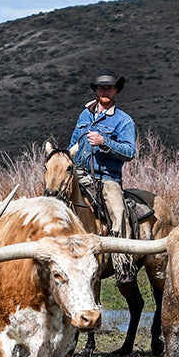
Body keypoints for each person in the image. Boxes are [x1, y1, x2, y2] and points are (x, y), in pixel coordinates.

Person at [69, 72, 136, 244]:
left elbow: (129, 152)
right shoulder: (85, 115)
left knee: (118, 213)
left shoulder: (124, 121)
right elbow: (72, 146)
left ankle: (122, 259)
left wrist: (103, 141)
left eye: (109, 89)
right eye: (101, 89)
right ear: (96, 91)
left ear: (115, 90)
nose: (105, 92)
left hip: (106, 179)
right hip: (77, 175)